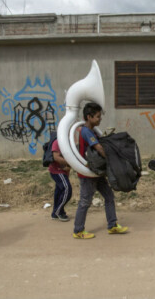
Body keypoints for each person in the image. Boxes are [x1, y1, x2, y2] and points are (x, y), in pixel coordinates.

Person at [73, 102, 128, 239]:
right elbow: (99, 149)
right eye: (97, 116)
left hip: (95, 172)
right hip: (87, 174)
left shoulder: (90, 131)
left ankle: (112, 225)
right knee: (85, 201)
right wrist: (113, 160)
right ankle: (78, 230)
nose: (100, 119)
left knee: (109, 196)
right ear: (89, 117)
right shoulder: (86, 132)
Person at [48, 137, 72, 222]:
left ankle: (55, 214)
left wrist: (68, 166)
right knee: (67, 189)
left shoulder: (68, 142)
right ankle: (58, 211)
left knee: (59, 192)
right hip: (57, 171)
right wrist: (70, 163)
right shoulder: (57, 142)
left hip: (63, 171)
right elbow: (56, 157)